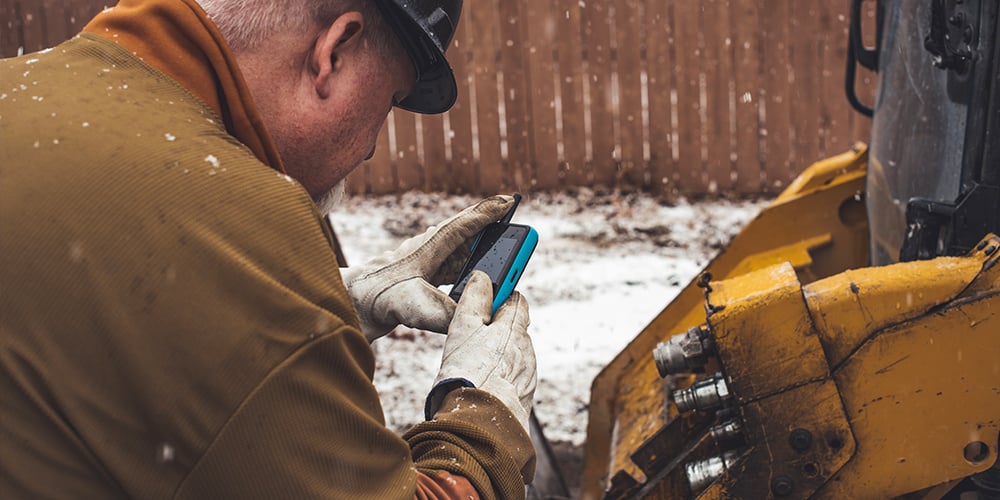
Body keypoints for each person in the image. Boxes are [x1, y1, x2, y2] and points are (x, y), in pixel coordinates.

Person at [0, 0, 537, 498]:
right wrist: (486, 416)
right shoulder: (226, 210)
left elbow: (103, 303)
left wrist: (329, 300)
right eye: (391, 101)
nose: (373, 145)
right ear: (334, 51)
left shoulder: (20, 89)